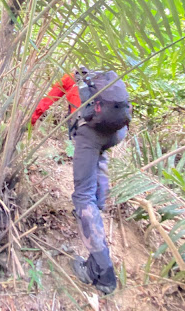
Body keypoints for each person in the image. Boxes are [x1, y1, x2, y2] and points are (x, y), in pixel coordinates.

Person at [31, 67, 132, 294]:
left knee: (82, 196)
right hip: (116, 132)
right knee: (100, 156)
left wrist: (31, 121)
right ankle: (100, 205)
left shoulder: (69, 77)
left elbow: (46, 102)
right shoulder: (104, 77)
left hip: (91, 133)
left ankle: (102, 273)